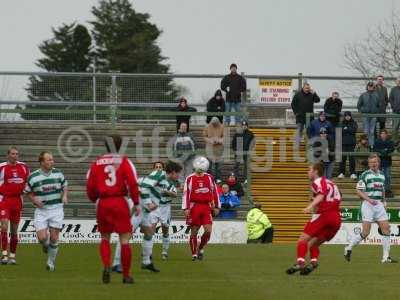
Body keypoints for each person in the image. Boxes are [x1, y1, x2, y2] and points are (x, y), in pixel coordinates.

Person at [86, 135, 140, 284]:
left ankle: (106, 265)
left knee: (104, 237)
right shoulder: (124, 161)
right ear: (121, 145)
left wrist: (94, 199)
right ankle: (126, 275)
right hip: (119, 201)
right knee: (125, 239)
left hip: (103, 202)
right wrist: (136, 203)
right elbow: (133, 183)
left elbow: (90, 185)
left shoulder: (96, 163)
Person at [286, 162, 341, 275]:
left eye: (309, 170)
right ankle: (313, 262)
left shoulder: (317, 182)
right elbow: (337, 197)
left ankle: (300, 264)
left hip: (324, 215)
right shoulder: (331, 182)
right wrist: (315, 203)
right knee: (313, 244)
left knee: (302, 240)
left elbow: (321, 195)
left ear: (316, 171)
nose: (308, 172)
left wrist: (309, 207)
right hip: (336, 218)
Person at [344, 154, 397, 263]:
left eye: (375, 162)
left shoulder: (382, 175)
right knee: (365, 232)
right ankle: (348, 247)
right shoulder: (365, 175)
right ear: (369, 164)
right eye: (371, 162)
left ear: (378, 163)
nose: (373, 164)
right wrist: (369, 199)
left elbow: (382, 189)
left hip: (379, 205)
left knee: (386, 229)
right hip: (368, 205)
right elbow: (358, 191)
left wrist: (384, 201)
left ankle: (386, 257)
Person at [25, 151, 68, 272]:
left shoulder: (58, 173)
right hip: (41, 210)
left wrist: (64, 196)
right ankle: (45, 244)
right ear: (42, 162)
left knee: (54, 238)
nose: (51, 162)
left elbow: (65, 185)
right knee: (42, 238)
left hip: (56, 208)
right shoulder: (33, 177)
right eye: (49, 160)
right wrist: (34, 200)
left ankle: (50, 263)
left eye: (52, 159)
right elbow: (27, 191)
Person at [139, 160, 182, 271]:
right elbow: (143, 185)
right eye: (178, 173)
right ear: (172, 172)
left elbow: (174, 194)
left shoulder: (168, 182)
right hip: (149, 207)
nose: (179, 176)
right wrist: (148, 202)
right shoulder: (156, 177)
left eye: (160, 166)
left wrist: (166, 192)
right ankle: (147, 256)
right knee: (149, 230)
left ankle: (163, 252)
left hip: (164, 208)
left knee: (164, 230)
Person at [182, 156, 220, 260]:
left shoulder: (209, 177)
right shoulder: (189, 178)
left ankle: (201, 247)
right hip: (194, 206)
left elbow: (215, 192)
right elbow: (186, 193)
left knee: (208, 231)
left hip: (206, 206)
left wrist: (217, 206)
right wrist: (186, 208)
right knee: (194, 231)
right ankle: (194, 253)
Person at [0, 147, 30, 265]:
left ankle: (12, 256)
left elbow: (29, 182)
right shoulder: (2, 167)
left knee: (14, 230)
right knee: (4, 226)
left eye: (17, 154)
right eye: (12, 154)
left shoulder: (24, 167)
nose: (15, 156)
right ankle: (4, 255)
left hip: (17, 200)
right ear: (8, 155)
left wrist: (26, 190)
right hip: (4, 200)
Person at [291, 83, 321, 147]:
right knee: (299, 130)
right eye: (306, 88)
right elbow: (293, 104)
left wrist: (314, 93)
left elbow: (318, 100)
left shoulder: (312, 94)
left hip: (309, 116)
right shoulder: (298, 94)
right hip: (300, 116)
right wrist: (296, 113)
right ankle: (296, 144)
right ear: (303, 88)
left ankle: (308, 144)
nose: (307, 89)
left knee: (309, 131)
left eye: (308, 88)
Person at [373, 130, 395, 198]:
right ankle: (378, 190)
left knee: (387, 176)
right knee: (378, 176)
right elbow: (375, 148)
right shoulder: (377, 141)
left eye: (384, 133)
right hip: (379, 162)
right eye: (382, 133)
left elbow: (392, 148)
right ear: (380, 134)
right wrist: (382, 151)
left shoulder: (390, 141)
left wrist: (386, 151)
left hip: (387, 161)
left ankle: (387, 190)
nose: (383, 134)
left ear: (386, 134)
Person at [357, 82, 380, 146]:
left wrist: (376, 111)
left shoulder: (376, 95)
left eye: (371, 86)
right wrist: (363, 110)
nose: (370, 87)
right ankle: (365, 146)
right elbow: (358, 105)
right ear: (367, 87)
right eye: (369, 86)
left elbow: (379, 105)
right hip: (365, 115)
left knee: (372, 132)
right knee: (366, 131)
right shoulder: (363, 95)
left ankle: (371, 146)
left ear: (373, 87)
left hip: (373, 115)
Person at [338, 111, 358, 179]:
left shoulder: (354, 122)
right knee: (342, 159)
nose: (347, 117)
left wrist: (346, 129)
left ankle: (352, 173)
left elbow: (354, 130)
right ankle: (341, 173)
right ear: (344, 116)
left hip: (351, 143)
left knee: (351, 159)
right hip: (343, 143)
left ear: (350, 116)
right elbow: (340, 131)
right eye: (346, 116)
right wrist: (348, 130)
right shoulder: (341, 123)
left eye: (348, 116)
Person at [389, 77, 400, 143]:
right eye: (398, 81)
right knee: (395, 128)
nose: (399, 82)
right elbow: (390, 99)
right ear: (396, 82)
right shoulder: (393, 89)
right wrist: (393, 107)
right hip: (396, 112)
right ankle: (394, 143)